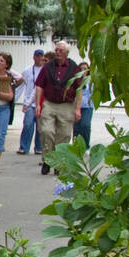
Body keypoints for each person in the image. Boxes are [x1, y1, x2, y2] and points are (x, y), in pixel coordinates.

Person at [35, 41, 82, 175]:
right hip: (49, 103)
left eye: (61, 50)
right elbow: (39, 85)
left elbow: (79, 89)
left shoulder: (74, 68)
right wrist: (38, 104)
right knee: (46, 131)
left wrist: (77, 109)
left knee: (64, 135)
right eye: (56, 50)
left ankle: (59, 163)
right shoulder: (48, 67)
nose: (58, 53)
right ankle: (47, 159)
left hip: (66, 105)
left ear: (67, 53)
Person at [16, 49, 46, 155]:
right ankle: (24, 147)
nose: (39, 58)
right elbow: (20, 85)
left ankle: (39, 147)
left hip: (41, 103)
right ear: (34, 57)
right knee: (28, 125)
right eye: (37, 56)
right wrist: (15, 99)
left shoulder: (45, 70)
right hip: (29, 102)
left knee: (40, 127)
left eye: (41, 56)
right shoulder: (27, 70)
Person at [72, 61, 94, 147]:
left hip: (87, 106)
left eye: (85, 69)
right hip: (76, 105)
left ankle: (86, 145)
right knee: (77, 127)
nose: (83, 70)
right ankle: (76, 146)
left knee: (85, 125)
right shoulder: (75, 80)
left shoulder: (91, 80)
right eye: (81, 69)